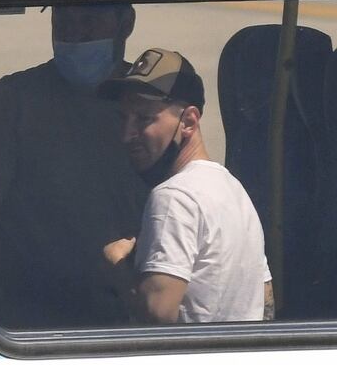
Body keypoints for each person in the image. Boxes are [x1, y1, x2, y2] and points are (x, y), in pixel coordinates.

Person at [0, 0, 148, 329]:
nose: (73, 34)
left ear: (126, 23)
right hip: (32, 319)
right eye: (63, 21)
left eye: (88, 21)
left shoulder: (150, 104)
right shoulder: (13, 103)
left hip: (128, 312)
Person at [99, 48, 273, 324]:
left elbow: (157, 316)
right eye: (124, 118)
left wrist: (117, 267)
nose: (126, 135)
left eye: (144, 118)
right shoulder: (233, 189)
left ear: (189, 121)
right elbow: (264, 298)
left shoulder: (173, 197)